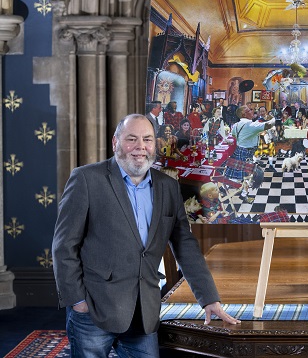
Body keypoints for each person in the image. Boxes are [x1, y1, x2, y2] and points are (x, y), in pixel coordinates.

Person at [52, 114, 240, 358]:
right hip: (94, 308)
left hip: (144, 311)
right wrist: (77, 301)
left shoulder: (168, 187)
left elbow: (185, 245)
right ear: (115, 143)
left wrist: (209, 299)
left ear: (155, 145)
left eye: (147, 140)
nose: (140, 147)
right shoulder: (87, 179)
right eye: (132, 139)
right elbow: (64, 245)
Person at [223, 105, 275, 191]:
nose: (253, 111)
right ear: (244, 114)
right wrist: (274, 118)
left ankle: (231, 189)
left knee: (241, 174)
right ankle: (236, 191)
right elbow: (269, 125)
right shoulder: (250, 125)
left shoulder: (236, 125)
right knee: (248, 175)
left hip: (239, 151)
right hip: (247, 152)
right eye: (250, 110)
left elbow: (234, 137)